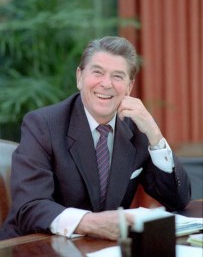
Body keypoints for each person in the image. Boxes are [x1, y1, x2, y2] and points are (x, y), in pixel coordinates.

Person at [0, 36, 191, 241]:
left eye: (118, 76)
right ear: (80, 77)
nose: (106, 84)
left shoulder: (137, 128)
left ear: (129, 87)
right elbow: (30, 207)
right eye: (97, 72)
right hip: (35, 246)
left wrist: (156, 136)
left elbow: (178, 200)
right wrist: (91, 223)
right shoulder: (42, 125)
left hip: (101, 248)